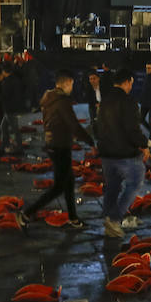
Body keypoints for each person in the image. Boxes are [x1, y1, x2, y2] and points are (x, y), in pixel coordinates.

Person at [19, 69, 94, 229]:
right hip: (60, 145)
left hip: (53, 143)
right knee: (59, 187)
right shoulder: (62, 101)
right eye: (72, 84)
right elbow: (74, 125)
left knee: (69, 182)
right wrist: (90, 141)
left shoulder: (49, 98)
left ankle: (73, 218)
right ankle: (27, 213)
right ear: (67, 83)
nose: (72, 88)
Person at [96, 69, 151, 239]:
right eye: (131, 83)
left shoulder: (104, 100)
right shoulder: (128, 101)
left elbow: (98, 126)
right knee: (135, 182)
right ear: (127, 82)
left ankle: (108, 216)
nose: (131, 87)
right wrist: (144, 144)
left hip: (106, 152)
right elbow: (132, 129)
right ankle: (114, 219)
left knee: (112, 186)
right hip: (124, 153)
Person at [0, 63, 25, 153]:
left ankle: (19, 147)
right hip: (13, 107)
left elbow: (5, 95)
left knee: (14, 129)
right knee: (3, 127)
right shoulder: (15, 79)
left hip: (10, 108)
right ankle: (5, 145)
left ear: (4, 71)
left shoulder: (8, 81)